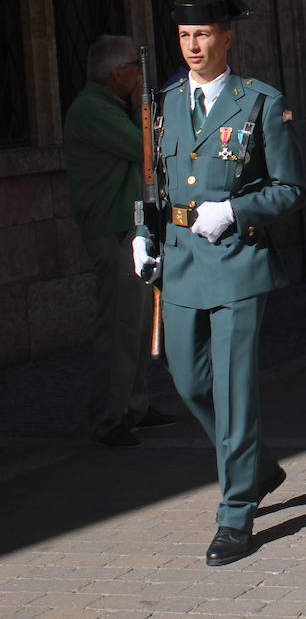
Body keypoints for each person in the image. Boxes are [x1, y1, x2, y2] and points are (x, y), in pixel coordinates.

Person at [131, 0, 306, 566]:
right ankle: (255, 466)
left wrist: (234, 210)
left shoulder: (257, 103)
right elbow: (150, 180)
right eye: (184, 36)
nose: (193, 46)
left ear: (227, 38)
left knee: (234, 391)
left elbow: (289, 189)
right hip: (179, 259)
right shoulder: (162, 104)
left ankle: (235, 513)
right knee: (189, 382)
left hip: (236, 261)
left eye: (203, 34)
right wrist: (142, 233)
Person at [64, 35, 174, 448]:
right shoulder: (93, 109)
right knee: (120, 326)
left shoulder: (107, 106)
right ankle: (111, 417)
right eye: (135, 65)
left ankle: (134, 405)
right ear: (117, 73)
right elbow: (144, 150)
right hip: (113, 230)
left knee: (138, 324)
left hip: (127, 228)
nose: (139, 74)